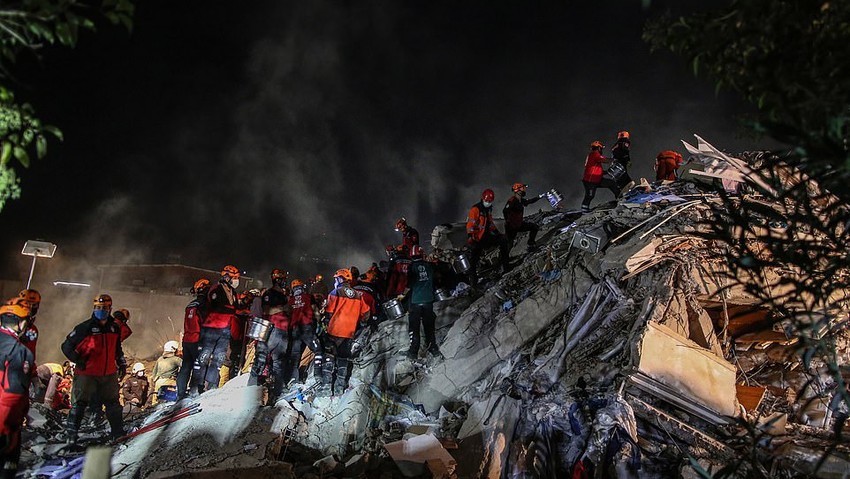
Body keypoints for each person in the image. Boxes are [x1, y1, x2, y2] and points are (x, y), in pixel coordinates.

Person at [61, 294, 126, 443]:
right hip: (87, 373)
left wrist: (121, 363)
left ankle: (118, 432)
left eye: (104, 308)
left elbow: (117, 348)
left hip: (108, 373)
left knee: (113, 404)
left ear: (110, 308)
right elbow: (66, 346)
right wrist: (78, 360)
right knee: (79, 404)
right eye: (98, 308)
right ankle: (71, 436)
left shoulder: (113, 327)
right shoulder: (85, 328)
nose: (101, 310)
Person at [317, 269, 371, 396]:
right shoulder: (358, 295)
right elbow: (366, 314)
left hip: (334, 331)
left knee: (329, 357)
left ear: (340, 279)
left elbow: (328, 312)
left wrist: (324, 323)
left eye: (336, 279)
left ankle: (325, 389)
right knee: (343, 360)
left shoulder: (336, 292)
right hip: (349, 333)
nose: (335, 281)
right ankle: (339, 389)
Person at [248, 269, 294, 404]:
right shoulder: (270, 293)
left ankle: (277, 393)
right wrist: (284, 309)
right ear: (277, 280)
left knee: (279, 363)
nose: (284, 282)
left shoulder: (284, 295)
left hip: (283, 331)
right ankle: (251, 390)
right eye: (282, 279)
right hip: (271, 330)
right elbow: (267, 310)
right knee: (261, 359)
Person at [195, 266, 239, 393]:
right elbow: (217, 306)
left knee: (219, 358)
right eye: (234, 278)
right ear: (226, 277)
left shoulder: (233, 293)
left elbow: (235, 308)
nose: (236, 281)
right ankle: (197, 385)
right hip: (211, 329)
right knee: (204, 357)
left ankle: (211, 385)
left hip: (225, 330)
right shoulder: (216, 289)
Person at [403, 245, 442, 360]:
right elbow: (436, 277)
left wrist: (402, 295)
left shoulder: (412, 267)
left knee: (414, 327)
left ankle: (413, 352)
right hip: (428, 300)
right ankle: (433, 348)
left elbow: (409, 284)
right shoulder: (429, 266)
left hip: (416, 301)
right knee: (429, 326)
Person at [466, 188, 510, 279]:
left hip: (486, 237)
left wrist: (497, 233)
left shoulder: (488, 209)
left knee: (503, 241)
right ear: (483, 199)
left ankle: (506, 267)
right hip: (477, 239)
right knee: (473, 261)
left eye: (490, 201)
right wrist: (471, 237)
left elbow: (490, 223)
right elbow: (470, 224)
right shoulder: (476, 209)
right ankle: (474, 283)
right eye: (487, 200)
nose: (488, 202)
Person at [177, 279, 208, 400]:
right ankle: (194, 392)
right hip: (197, 339)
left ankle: (180, 393)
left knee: (185, 367)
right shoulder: (203, 305)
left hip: (187, 339)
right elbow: (204, 322)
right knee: (198, 366)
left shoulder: (190, 305)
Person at [503, 183, 544, 252]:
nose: (524, 190)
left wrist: (540, 196)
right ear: (518, 190)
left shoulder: (521, 200)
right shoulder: (512, 200)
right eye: (522, 189)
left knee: (534, 227)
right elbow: (505, 211)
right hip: (511, 227)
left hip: (518, 224)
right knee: (509, 244)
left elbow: (529, 201)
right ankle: (502, 260)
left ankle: (531, 245)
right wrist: (509, 222)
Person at [287, 279, 314, 384]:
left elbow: (288, 315)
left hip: (295, 329)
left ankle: (294, 380)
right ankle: (317, 377)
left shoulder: (291, 300)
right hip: (307, 328)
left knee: (295, 356)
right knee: (319, 351)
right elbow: (315, 311)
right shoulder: (308, 297)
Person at [604, 130, 633, 197]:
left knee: (618, 178)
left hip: (615, 162)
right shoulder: (625, 141)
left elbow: (614, 153)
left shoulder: (616, 143)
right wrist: (628, 160)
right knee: (623, 177)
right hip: (621, 161)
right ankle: (626, 191)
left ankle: (621, 192)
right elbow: (625, 150)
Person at [16, 289, 40, 360]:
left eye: (34, 305)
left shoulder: (33, 329)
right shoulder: (10, 322)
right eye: (27, 303)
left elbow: (31, 351)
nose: (30, 307)